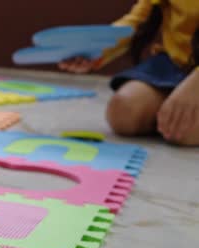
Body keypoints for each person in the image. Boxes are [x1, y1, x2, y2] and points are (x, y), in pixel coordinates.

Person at [59, 0, 199, 146]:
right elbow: (139, 19)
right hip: (175, 63)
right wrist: (96, 51)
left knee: (183, 132)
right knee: (123, 112)